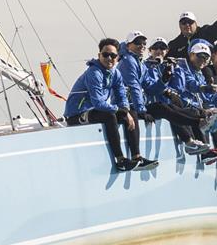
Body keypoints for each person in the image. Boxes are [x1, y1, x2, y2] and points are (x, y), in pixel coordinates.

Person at [64, 38, 158, 172]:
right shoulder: (94, 73)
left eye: (113, 56)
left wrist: (125, 110)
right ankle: (120, 161)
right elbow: (98, 103)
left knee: (132, 113)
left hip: (95, 110)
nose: (109, 58)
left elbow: (121, 96)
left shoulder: (115, 73)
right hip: (77, 114)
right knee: (110, 116)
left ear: (117, 57)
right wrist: (121, 111)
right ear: (99, 55)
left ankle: (137, 158)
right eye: (105, 55)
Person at [121, 34, 212, 155]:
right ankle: (198, 127)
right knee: (167, 108)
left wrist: (171, 73)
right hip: (138, 105)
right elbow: (136, 88)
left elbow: (176, 88)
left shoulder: (143, 64)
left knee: (172, 107)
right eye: (155, 48)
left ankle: (195, 136)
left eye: (162, 48)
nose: (159, 51)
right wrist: (142, 110)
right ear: (150, 50)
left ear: (167, 51)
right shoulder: (134, 62)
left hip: (154, 104)